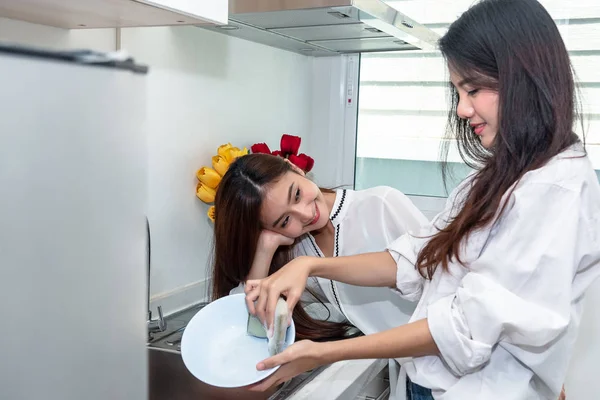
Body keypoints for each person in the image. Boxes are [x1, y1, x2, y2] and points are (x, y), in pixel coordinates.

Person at [244, 1, 600, 399]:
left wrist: (325, 353)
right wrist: (310, 265)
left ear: (523, 77)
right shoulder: (500, 176)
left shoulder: (556, 190)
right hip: (430, 385)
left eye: (474, 89)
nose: (463, 109)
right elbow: (416, 259)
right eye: (458, 92)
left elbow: (465, 327)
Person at [211, 152, 428, 344]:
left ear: (296, 169)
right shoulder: (294, 249)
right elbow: (251, 325)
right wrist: (264, 249)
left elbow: (440, 277)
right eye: (285, 220)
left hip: (435, 355)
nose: (305, 214)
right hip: (397, 366)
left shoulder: (381, 204)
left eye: (296, 195)